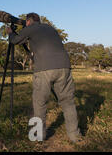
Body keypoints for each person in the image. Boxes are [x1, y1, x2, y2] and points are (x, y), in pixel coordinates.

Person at [6, 13, 82, 143]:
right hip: (64, 67)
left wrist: (10, 32)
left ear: (28, 21)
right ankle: (75, 136)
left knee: (40, 103)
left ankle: (38, 136)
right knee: (68, 102)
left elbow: (15, 41)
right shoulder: (50, 28)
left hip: (45, 69)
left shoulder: (30, 28)